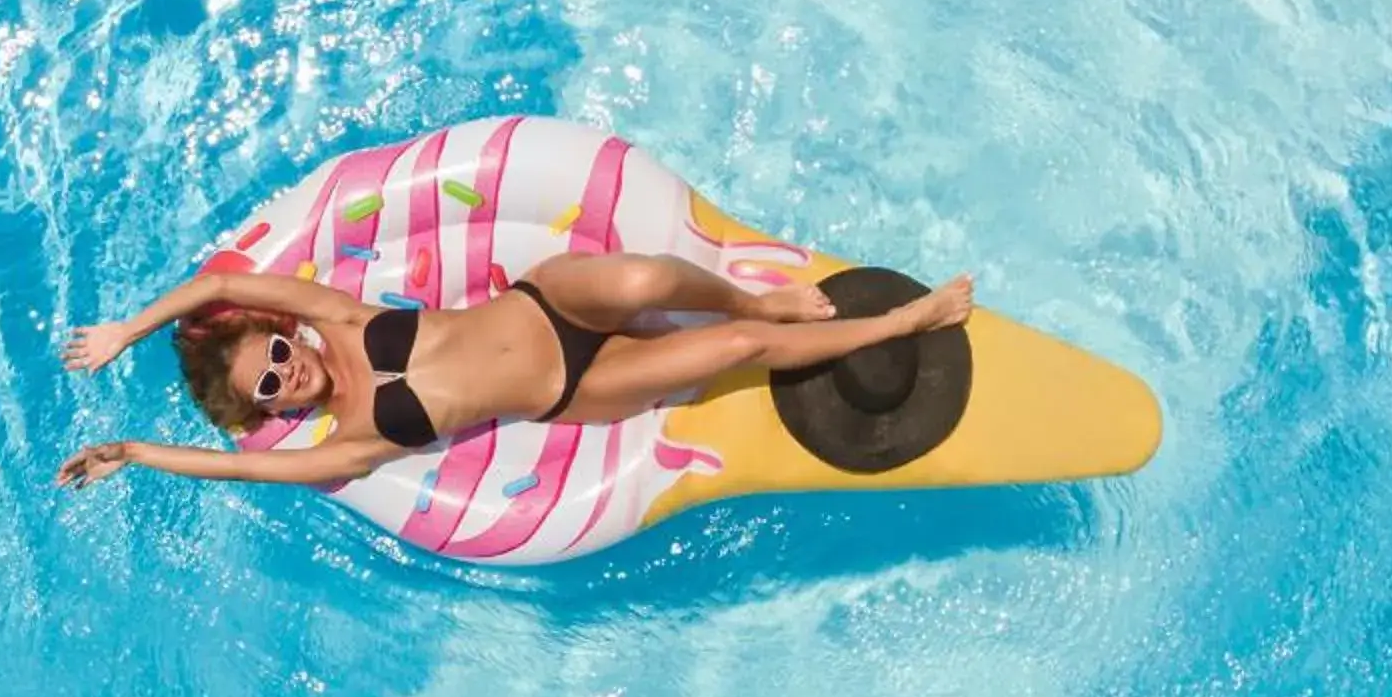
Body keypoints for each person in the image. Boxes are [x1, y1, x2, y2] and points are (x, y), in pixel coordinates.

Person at [57, 251, 975, 490]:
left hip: (549, 302)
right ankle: (908, 317)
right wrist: (134, 452)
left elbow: (218, 282)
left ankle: (755, 295)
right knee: (736, 357)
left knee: (657, 279)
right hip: (572, 390)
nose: (290, 371)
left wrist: (126, 333)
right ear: (261, 411)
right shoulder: (355, 443)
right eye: (270, 384)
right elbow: (245, 467)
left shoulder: (339, 317)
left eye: (279, 351)